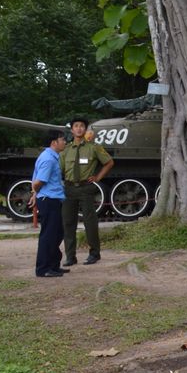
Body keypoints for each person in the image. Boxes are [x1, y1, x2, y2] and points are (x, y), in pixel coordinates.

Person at [61, 117, 114, 266]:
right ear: (72, 130)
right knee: (68, 223)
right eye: (76, 126)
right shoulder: (66, 150)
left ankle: (94, 254)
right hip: (69, 189)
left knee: (90, 222)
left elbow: (109, 162)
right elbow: (60, 169)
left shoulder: (94, 147)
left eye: (82, 126)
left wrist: (97, 177)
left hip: (86, 189)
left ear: (85, 129)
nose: (79, 128)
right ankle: (70, 256)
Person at [28, 130, 68, 278]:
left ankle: (53, 265)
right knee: (49, 235)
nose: (65, 142)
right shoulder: (49, 159)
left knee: (57, 233)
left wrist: (35, 194)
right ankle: (43, 269)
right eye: (62, 139)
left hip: (52, 199)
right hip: (49, 200)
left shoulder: (50, 156)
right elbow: (38, 181)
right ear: (54, 142)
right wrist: (36, 193)